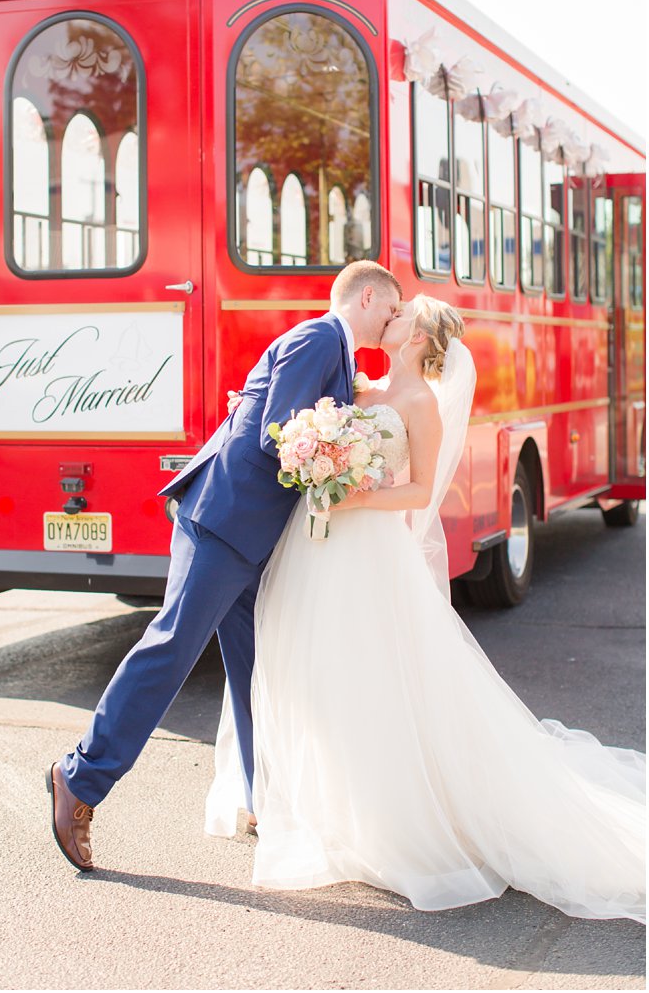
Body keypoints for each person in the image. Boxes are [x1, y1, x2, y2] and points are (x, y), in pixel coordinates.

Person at [206, 295, 646, 923]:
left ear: (419, 338)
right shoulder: (361, 386)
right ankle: (324, 806)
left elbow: (416, 494)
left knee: (377, 678)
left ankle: (391, 818)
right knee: (317, 673)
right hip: (317, 552)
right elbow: (295, 423)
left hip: (369, 553)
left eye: (402, 314)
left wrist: (354, 497)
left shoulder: (422, 406)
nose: (392, 316)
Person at [47, 260, 402, 871]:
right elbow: (277, 434)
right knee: (170, 648)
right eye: (391, 310)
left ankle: (268, 798)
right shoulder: (318, 338)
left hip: (251, 535)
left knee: (256, 666)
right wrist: (340, 458)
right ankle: (79, 778)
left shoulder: (335, 354)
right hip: (222, 521)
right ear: (367, 297)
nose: (392, 322)